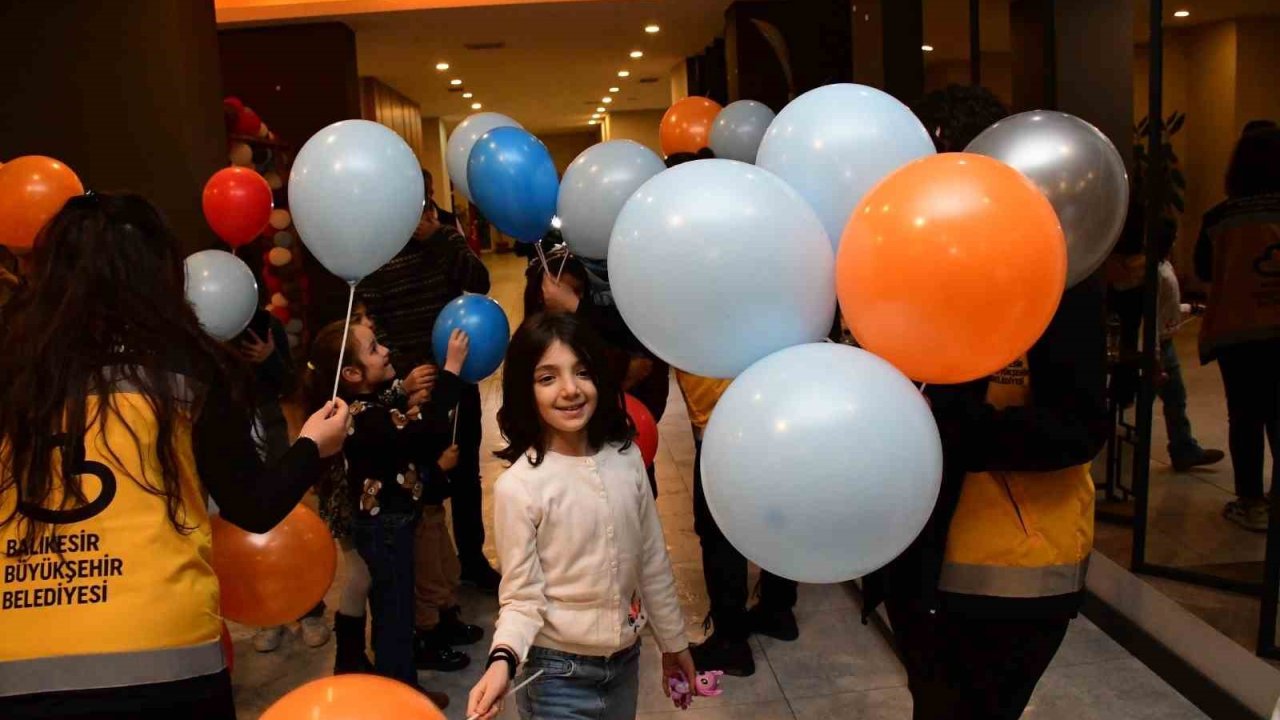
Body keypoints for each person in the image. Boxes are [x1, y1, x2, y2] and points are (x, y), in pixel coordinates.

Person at [0, 193, 350, 719]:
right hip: (161, 654)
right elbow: (253, 505)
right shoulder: (191, 367)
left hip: (16, 661)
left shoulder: (14, 370)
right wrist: (314, 446)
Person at [859, 87, 1111, 720]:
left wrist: (943, 429)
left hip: (1013, 574)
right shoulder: (908, 266)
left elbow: (1077, 426)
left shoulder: (1059, 274)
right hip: (919, 563)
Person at [466, 313, 695, 720]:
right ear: (524, 390)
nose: (570, 389)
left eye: (582, 372)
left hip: (625, 664)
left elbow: (652, 560)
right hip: (555, 677)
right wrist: (502, 661)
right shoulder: (519, 487)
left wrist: (674, 642)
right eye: (547, 378)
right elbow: (521, 597)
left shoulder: (627, 459)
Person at [303, 319, 468, 707]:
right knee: (395, 617)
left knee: (391, 609)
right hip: (386, 528)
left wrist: (407, 393)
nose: (386, 351)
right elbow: (425, 432)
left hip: (388, 524)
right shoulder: (365, 416)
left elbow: (400, 422)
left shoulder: (365, 405)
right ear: (352, 373)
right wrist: (452, 371)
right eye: (374, 348)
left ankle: (394, 684)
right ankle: (402, 697)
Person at [359, 175, 498, 591]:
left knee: (465, 470)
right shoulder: (375, 247)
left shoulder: (444, 236)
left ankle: (471, 560)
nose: (421, 210)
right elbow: (373, 321)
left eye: (426, 201)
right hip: (409, 383)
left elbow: (480, 282)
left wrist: (441, 238)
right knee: (419, 476)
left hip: (460, 371)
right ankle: (427, 575)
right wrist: (403, 375)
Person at [679, 370, 799, 677]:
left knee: (718, 530)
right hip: (779, 408)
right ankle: (777, 608)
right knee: (778, 515)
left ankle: (730, 641)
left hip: (725, 417)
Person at [1194, 126, 1280, 532]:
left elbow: (1203, 271)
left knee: (1245, 416)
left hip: (1238, 332)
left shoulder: (1219, 219)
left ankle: (1251, 502)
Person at [1153, 228, 1224, 473]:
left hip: (1164, 343)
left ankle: (1183, 448)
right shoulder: (1157, 274)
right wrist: (1154, 357)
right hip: (1160, 346)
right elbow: (1152, 317)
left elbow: (1168, 307)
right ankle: (1182, 449)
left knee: (1175, 398)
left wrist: (1190, 308)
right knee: (1172, 398)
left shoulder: (1163, 268)